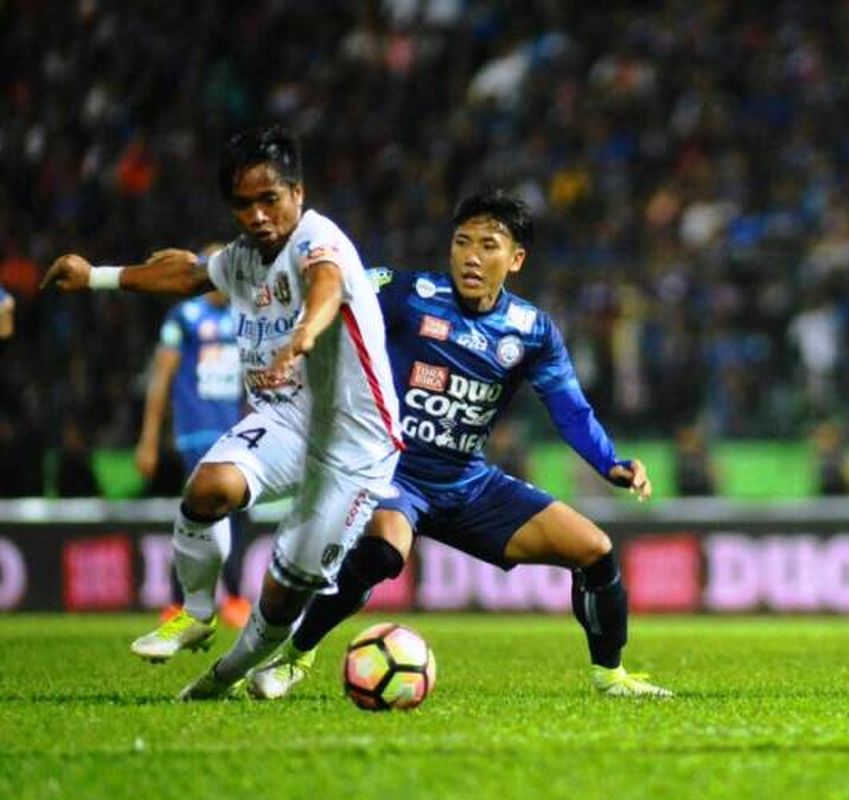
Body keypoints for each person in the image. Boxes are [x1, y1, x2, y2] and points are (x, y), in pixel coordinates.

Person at [248, 189, 671, 699]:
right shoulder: (408, 293)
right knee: (383, 553)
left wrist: (611, 463)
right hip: (391, 472)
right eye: (462, 242)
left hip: (467, 483)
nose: (472, 256)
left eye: (488, 245)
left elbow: (570, 409)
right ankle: (295, 657)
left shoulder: (532, 331)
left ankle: (611, 677)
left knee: (596, 551)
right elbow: (332, 281)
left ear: (515, 259)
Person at [40, 125, 403, 700]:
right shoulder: (239, 259)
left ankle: (224, 677)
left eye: (269, 199)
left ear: (298, 194)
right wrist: (96, 277)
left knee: (286, 589)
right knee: (207, 489)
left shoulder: (317, 239)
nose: (257, 216)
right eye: (242, 204)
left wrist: (303, 335)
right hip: (287, 419)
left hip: (354, 443)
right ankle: (197, 610)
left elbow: (327, 285)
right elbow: (185, 272)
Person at [134, 252, 250, 628]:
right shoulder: (184, 317)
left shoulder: (243, 316)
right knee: (201, 513)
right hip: (197, 432)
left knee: (238, 516)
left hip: (236, 432)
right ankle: (182, 600)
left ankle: (229, 597)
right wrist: (149, 439)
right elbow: (162, 378)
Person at [811, 419, 849, 496]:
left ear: (835, 437)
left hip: (844, 496)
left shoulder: (845, 455)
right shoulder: (819, 456)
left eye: (826, 437)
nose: (822, 442)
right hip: (827, 498)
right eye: (820, 437)